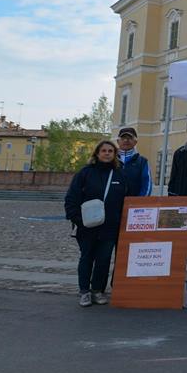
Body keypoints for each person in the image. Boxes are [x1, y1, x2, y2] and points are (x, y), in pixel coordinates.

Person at [63, 140, 127, 307]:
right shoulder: (85, 173)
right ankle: (84, 291)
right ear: (97, 154)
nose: (107, 153)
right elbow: (72, 197)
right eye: (103, 150)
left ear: (115, 155)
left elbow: (125, 200)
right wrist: (76, 219)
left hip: (110, 226)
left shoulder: (120, 175)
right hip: (87, 226)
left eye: (110, 151)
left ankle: (97, 290)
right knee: (86, 257)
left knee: (104, 259)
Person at [116, 127, 152, 196]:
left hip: (133, 204)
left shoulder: (142, 161)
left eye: (129, 138)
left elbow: (147, 184)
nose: (126, 140)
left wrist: (139, 202)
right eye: (123, 138)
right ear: (118, 141)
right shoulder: (111, 159)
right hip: (112, 203)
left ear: (135, 142)